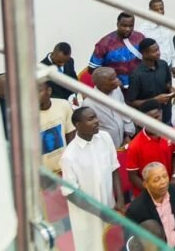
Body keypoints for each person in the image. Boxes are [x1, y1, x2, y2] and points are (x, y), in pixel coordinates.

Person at [61, 106, 125, 251]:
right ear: (78, 125)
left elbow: (114, 168)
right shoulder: (69, 156)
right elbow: (71, 194)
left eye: (95, 117)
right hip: (87, 217)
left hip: (110, 207)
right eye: (91, 119)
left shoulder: (105, 138)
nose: (96, 121)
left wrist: (120, 199)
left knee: (112, 244)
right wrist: (100, 213)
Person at [127, 161, 175, 246]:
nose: (163, 182)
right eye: (157, 180)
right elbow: (133, 242)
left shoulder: (174, 190)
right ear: (146, 184)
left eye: (165, 176)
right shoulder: (136, 209)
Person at [124, 100, 175, 193]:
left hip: (168, 186)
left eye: (156, 117)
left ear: (161, 114)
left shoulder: (171, 133)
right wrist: (151, 191)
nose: (153, 122)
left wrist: (174, 177)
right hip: (147, 192)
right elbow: (132, 176)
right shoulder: (134, 146)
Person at [87, 66, 135, 147]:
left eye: (116, 77)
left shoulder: (117, 90)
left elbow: (124, 111)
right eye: (112, 79)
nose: (117, 80)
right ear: (102, 84)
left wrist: (127, 135)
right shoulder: (89, 104)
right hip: (105, 146)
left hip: (124, 140)